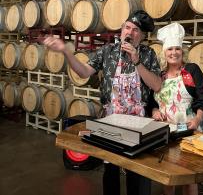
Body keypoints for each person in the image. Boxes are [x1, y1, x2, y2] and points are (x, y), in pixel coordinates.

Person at [43, 10, 162, 195]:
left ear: (142, 35)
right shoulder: (108, 51)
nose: (130, 33)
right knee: (111, 170)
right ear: (122, 29)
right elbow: (83, 72)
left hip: (139, 122)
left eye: (136, 30)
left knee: (137, 172)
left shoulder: (148, 54)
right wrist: (67, 52)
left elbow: (157, 86)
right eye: (127, 27)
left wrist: (137, 62)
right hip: (111, 120)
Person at [152, 22, 203, 195]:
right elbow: (152, 102)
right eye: (170, 49)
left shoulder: (190, 70)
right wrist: (154, 111)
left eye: (177, 49)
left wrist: (197, 119)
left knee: (189, 176)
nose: (174, 53)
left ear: (182, 51)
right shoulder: (159, 75)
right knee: (169, 174)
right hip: (167, 130)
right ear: (164, 53)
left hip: (189, 129)